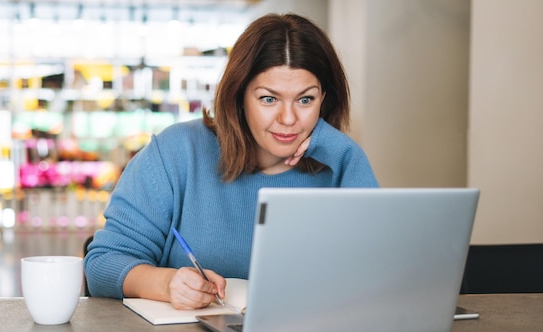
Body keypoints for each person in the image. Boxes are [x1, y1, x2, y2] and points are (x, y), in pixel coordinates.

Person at [84, 13, 379, 308]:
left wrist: (346, 153)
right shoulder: (178, 152)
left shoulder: (339, 163)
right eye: (268, 99)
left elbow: (380, 277)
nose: (288, 119)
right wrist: (166, 283)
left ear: (324, 99)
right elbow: (101, 265)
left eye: (305, 100)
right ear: (239, 96)